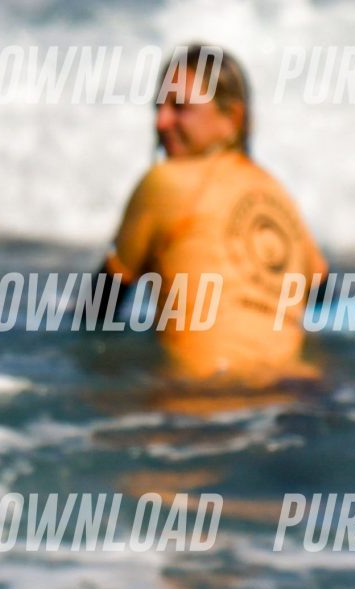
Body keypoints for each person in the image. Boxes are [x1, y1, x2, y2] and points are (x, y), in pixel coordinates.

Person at [103, 45, 326, 381]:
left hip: (207, 396)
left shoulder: (164, 181)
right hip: (301, 391)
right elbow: (321, 289)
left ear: (232, 117)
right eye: (158, 107)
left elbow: (101, 304)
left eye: (180, 107)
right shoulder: (277, 193)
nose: (161, 122)